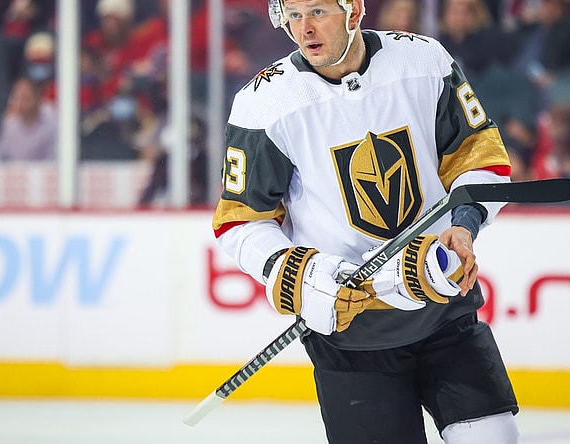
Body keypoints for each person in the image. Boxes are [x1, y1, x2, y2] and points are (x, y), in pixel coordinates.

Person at [211, 0, 519, 442]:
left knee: (494, 437)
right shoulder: (263, 104)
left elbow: (481, 157)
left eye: (317, 12)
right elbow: (239, 221)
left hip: (442, 305)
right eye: (293, 16)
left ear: (354, 11)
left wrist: (464, 225)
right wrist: (294, 269)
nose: (305, 29)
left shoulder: (424, 61)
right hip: (348, 335)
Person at [0, 77, 56, 161]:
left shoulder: (51, 124)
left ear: (37, 98)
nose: (21, 103)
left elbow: (54, 160)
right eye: (17, 98)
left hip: (44, 171)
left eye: (25, 98)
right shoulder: (9, 125)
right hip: (13, 171)